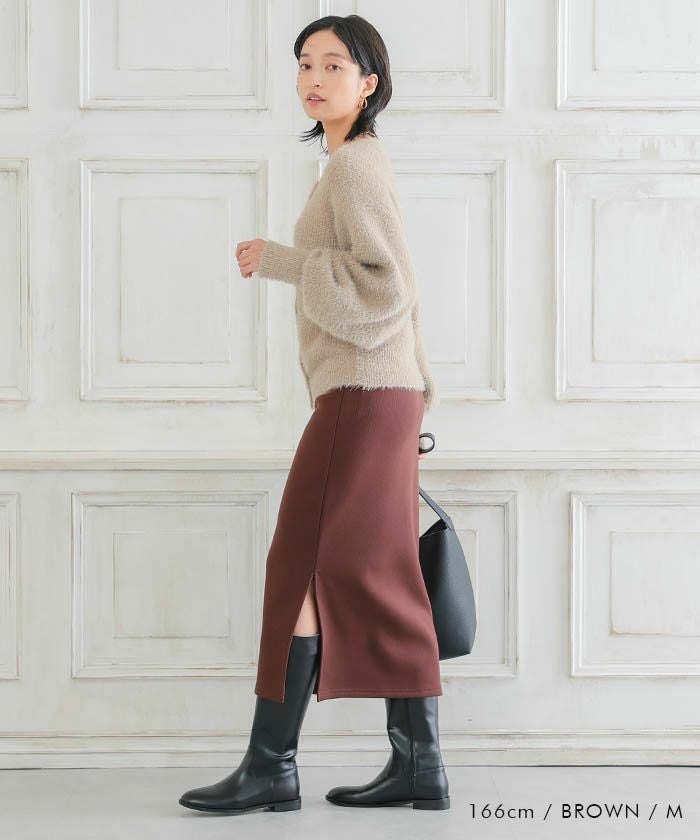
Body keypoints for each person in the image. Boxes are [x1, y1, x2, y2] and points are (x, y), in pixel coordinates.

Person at [179, 13, 449, 815]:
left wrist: (282, 261)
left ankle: (272, 768)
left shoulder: (355, 167)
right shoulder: (351, 165)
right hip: (382, 398)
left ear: (369, 84)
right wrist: (416, 399)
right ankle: (418, 765)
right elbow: (405, 293)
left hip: (363, 399)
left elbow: (388, 287)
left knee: (297, 565)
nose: (315, 78)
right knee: (382, 574)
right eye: (305, 63)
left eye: (335, 65)